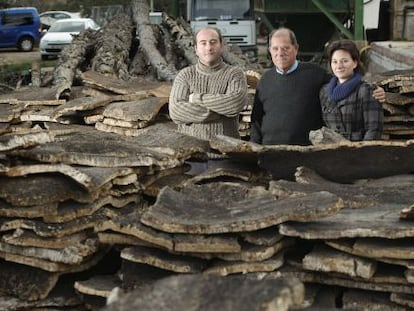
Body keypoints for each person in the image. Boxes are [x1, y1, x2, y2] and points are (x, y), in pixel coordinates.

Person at [250, 27, 385, 145]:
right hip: (269, 150)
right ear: (270, 51)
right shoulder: (265, 80)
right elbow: (256, 120)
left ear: (296, 49)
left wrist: (377, 89)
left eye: (285, 48)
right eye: (275, 48)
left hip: (306, 152)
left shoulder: (315, 74)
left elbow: (346, 82)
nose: (280, 52)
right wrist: (255, 147)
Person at [169, 26, 248, 173]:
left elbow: (234, 104)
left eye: (213, 42)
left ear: (221, 45)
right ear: (196, 48)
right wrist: (219, 112)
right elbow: (176, 111)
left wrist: (196, 98)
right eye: (203, 43)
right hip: (191, 158)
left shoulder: (234, 74)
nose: (208, 47)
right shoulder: (185, 75)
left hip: (226, 157)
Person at [319, 39, 383, 141]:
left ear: (355, 63)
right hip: (330, 152)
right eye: (335, 61)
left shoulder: (366, 90)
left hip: (358, 151)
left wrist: (363, 153)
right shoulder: (324, 92)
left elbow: (374, 130)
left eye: (344, 61)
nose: (339, 66)